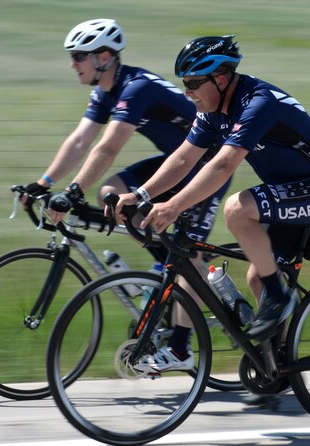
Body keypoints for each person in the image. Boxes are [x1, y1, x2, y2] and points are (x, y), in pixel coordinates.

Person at [115, 35, 310, 395]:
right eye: (185, 84)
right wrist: (142, 193)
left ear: (220, 79)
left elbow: (224, 164)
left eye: (194, 84)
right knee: (258, 275)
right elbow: (182, 158)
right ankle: (277, 365)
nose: (188, 92)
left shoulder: (257, 102)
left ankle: (279, 297)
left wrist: (173, 205)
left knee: (237, 209)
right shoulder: (212, 112)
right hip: (288, 190)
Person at [19, 19, 232, 373]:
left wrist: (71, 192)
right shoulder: (105, 91)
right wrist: (42, 184)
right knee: (110, 194)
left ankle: (181, 345)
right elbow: (79, 141)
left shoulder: (135, 88)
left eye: (78, 56)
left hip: (208, 166)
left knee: (187, 254)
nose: (73, 64)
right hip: (174, 163)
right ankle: (161, 272)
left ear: (104, 56)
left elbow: (107, 148)